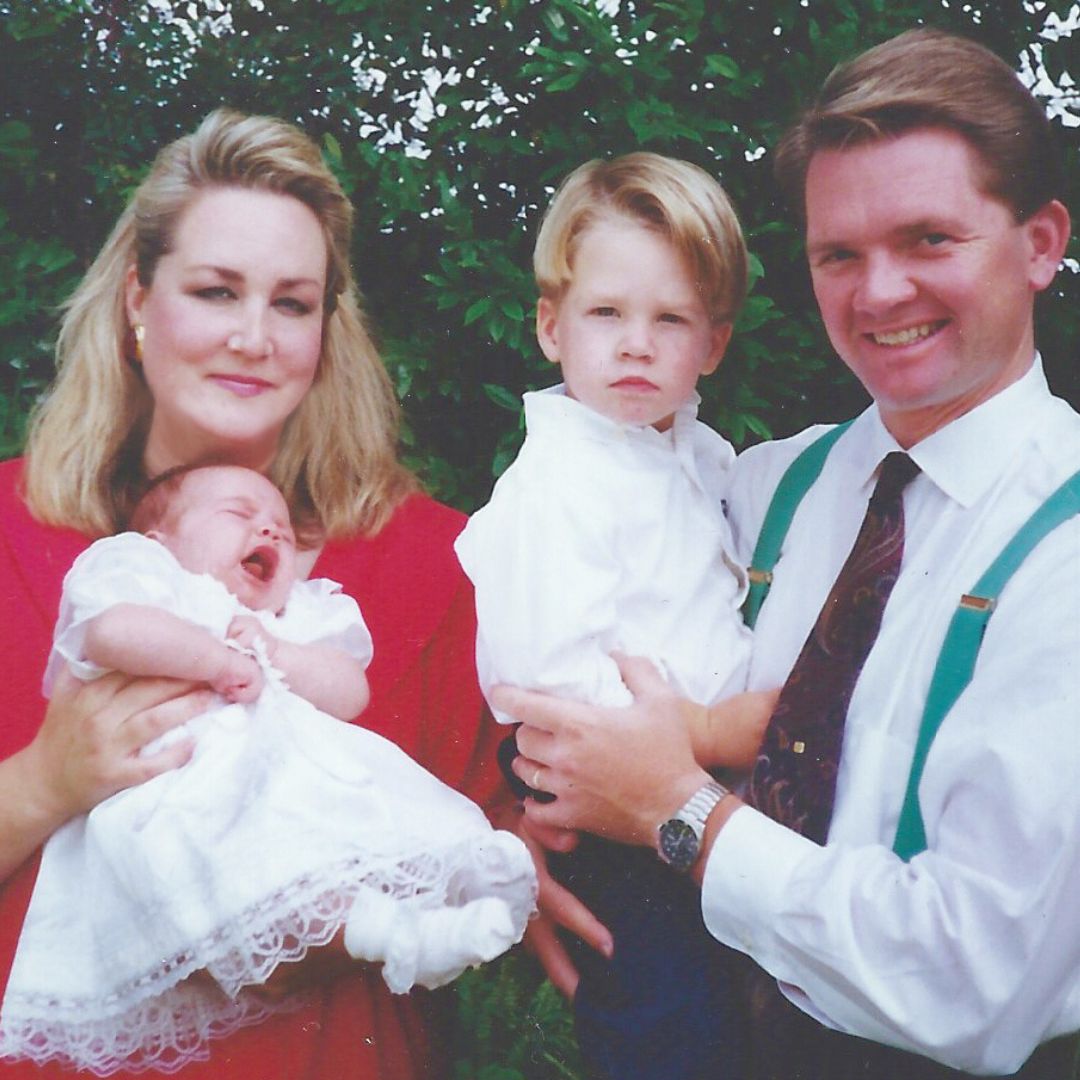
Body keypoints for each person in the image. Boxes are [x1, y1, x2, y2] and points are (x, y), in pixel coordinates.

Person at [497, 28, 1080, 1079]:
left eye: (929, 239)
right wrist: (531, 805)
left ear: (1041, 243)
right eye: (839, 253)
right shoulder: (758, 486)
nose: (880, 291)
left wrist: (673, 812)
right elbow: (567, 584)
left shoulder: (1066, 548)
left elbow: (978, 984)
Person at [0, 108, 517, 1079]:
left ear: (329, 328)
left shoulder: (429, 563)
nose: (252, 337)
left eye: (291, 303)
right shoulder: (13, 534)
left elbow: (515, 836)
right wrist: (42, 783)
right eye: (214, 290)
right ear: (137, 300)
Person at [1, 463, 535, 1075]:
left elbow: (348, 692)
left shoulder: (295, 616)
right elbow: (110, 633)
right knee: (233, 873)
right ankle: (393, 935)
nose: (270, 530)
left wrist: (277, 651)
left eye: (282, 525)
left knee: (346, 842)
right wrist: (212, 658)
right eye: (238, 513)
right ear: (161, 543)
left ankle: (421, 925)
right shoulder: (147, 580)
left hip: (281, 802)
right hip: (175, 798)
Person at [455, 153, 772, 1079]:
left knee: (735, 1025)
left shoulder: (702, 459)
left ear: (712, 343)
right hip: (611, 818)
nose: (637, 344)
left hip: (697, 799)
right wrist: (709, 734)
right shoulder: (553, 486)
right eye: (606, 314)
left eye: (670, 319)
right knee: (666, 1034)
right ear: (552, 326)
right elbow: (548, 686)